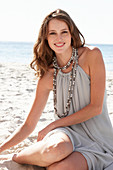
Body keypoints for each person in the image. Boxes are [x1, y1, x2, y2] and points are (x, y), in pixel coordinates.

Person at [0, 9, 113, 170]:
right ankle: (13, 157)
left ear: (72, 34)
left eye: (64, 32)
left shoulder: (92, 56)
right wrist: (1, 148)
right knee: (55, 150)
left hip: (98, 139)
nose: (59, 38)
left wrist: (52, 125)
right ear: (45, 38)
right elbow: (28, 125)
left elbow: (95, 108)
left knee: (59, 168)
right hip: (65, 134)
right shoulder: (48, 76)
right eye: (52, 33)